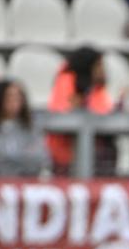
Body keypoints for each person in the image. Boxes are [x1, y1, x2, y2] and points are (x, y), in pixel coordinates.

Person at [46, 46, 117, 174]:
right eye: (98, 66)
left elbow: (104, 112)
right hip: (66, 158)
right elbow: (61, 112)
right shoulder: (66, 79)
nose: (102, 71)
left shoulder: (97, 88)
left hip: (97, 157)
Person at [0, 80, 50, 176]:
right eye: (9, 97)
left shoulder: (31, 127)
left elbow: (40, 158)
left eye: (18, 97)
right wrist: (19, 160)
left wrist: (6, 159)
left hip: (24, 181)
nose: (15, 102)